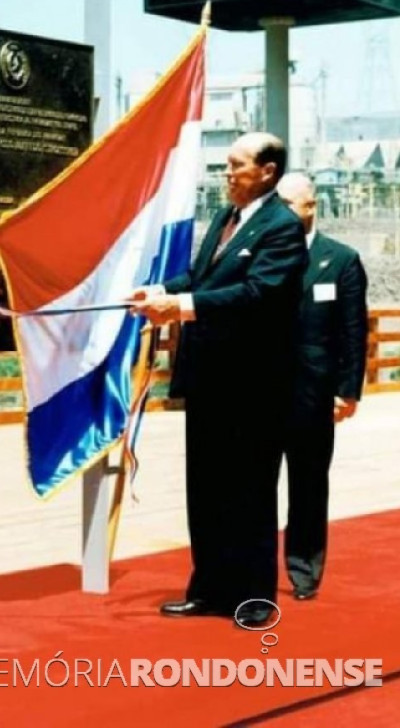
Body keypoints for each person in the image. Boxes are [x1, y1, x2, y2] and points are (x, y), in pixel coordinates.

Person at [129, 132, 307, 627]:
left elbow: (258, 295)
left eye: (236, 165)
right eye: (225, 166)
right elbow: (203, 279)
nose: (227, 174)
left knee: (248, 493)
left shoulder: (281, 228)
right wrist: (160, 291)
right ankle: (208, 588)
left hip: (254, 386)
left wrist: (181, 307)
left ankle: (252, 598)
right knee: (206, 489)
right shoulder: (227, 221)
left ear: (267, 172)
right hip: (209, 379)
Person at [276, 172, 368, 600]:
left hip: (314, 397)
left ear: (310, 207)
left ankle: (304, 570)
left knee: (308, 485)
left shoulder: (341, 259)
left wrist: (348, 390)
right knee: (254, 489)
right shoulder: (262, 255)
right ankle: (251, 570)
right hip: (262, 392)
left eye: (288, 205)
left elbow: (353, 331)